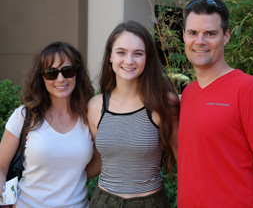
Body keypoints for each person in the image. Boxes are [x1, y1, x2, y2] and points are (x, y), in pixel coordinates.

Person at [178, 0, 253, 207]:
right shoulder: (188, 94)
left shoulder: (251, 90)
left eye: (210, 33)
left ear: (226, 36)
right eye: (193, 33)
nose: (200, 41)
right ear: (183, 36)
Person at [86, 20, 179, 208]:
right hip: (103, 202)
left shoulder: (164, 103)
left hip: (149, 203)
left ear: (148, 58)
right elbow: (99, 160)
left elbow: (183, 159)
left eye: (138, 54)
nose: (129, 61)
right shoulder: (96, 106)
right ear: (110, 56)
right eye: (121, 52)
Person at [0, 41, 94, 208]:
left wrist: (71, 176)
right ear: (41, 77)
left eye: (68, 71)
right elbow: (1, 166)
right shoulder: (24, 116)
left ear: (77, 74)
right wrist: (3, 199)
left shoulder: (89, 117)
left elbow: (101, 160)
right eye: (51, 72)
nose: (60, 78)